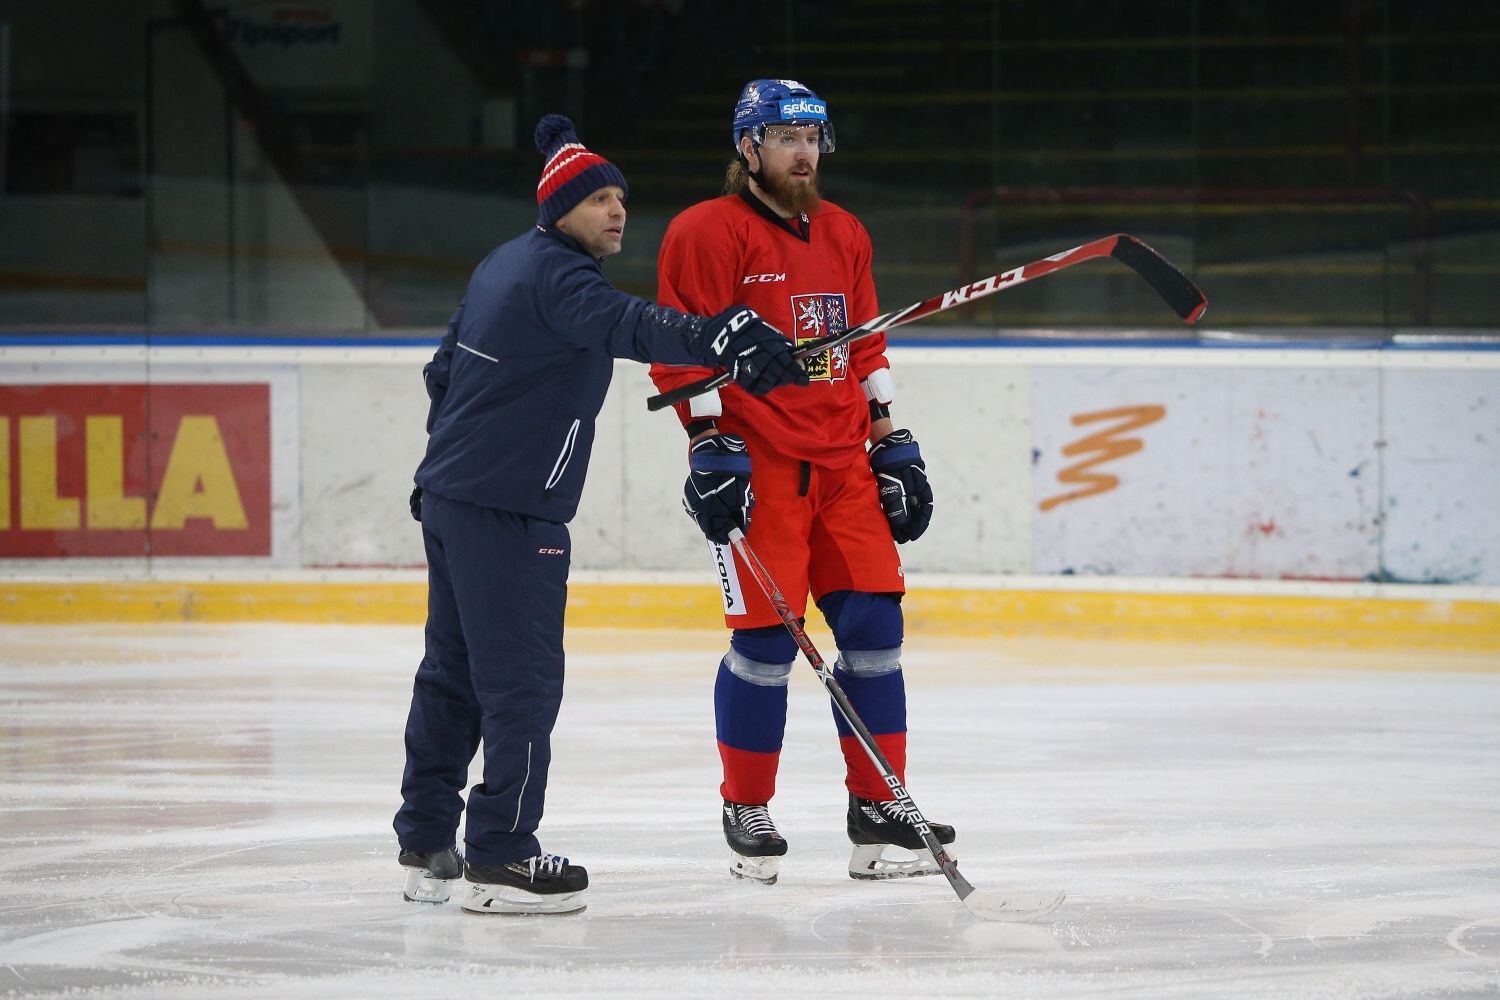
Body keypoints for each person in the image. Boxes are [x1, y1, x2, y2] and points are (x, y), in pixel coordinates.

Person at [394, 114, 808, 915]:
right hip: (510, 509)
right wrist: (719, 332)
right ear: (560, 209)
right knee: (521, 684)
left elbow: (440, 369)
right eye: (598, 200)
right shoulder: (558, 276)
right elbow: (630, 324)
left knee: (453, 675)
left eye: (621, 197)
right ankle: (502, 854)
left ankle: (427, 840)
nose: (617, 211)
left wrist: (456, 457)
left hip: (453, 497)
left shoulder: (503, 263)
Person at [648, 79, 954, 885]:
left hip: (844, 464)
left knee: (876, 634)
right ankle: (746, 805)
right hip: (759, 469)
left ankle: (879, 809)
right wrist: (709, 445)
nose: (804, 151)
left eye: (813, 135)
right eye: (785, 136)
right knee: (762, 646)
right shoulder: (705, 232)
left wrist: (893, 441)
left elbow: (864, 349)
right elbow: (682, 345)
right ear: (748, 147)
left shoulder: (846, 232)